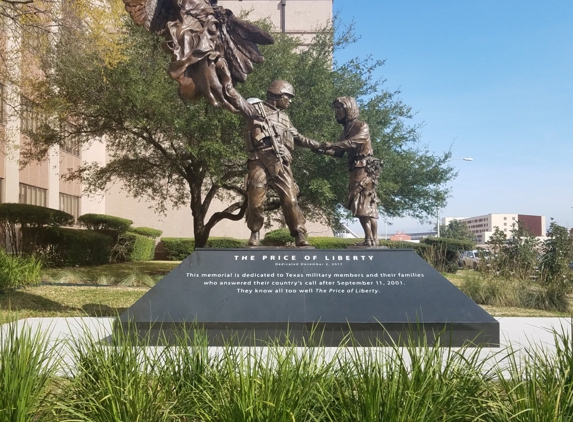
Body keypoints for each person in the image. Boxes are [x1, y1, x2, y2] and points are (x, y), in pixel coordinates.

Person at [240, 80, 320, 246]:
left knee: (290, 199)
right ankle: (255, 232)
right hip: (258, 160)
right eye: (288, 97)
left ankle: (298, 233)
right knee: (255, 201)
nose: (290, 101)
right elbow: (238, 103)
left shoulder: (284, 118)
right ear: (277, 95)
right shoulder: (255, 109)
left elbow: (297, 137)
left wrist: (319, 146)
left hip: (280, 161)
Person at [318, 97, 382, 246]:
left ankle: (371, 239)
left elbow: (355, 141)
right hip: (354, 168)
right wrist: (323, 151)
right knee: (360, 202)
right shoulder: (345, 132)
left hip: (365, 167)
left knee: (365, 202)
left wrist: (332, 144)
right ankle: (371, 239)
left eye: (339, 108)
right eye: (336, 108)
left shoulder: (361, 125)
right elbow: (339, 153)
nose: (337, 112)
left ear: (348, 108)